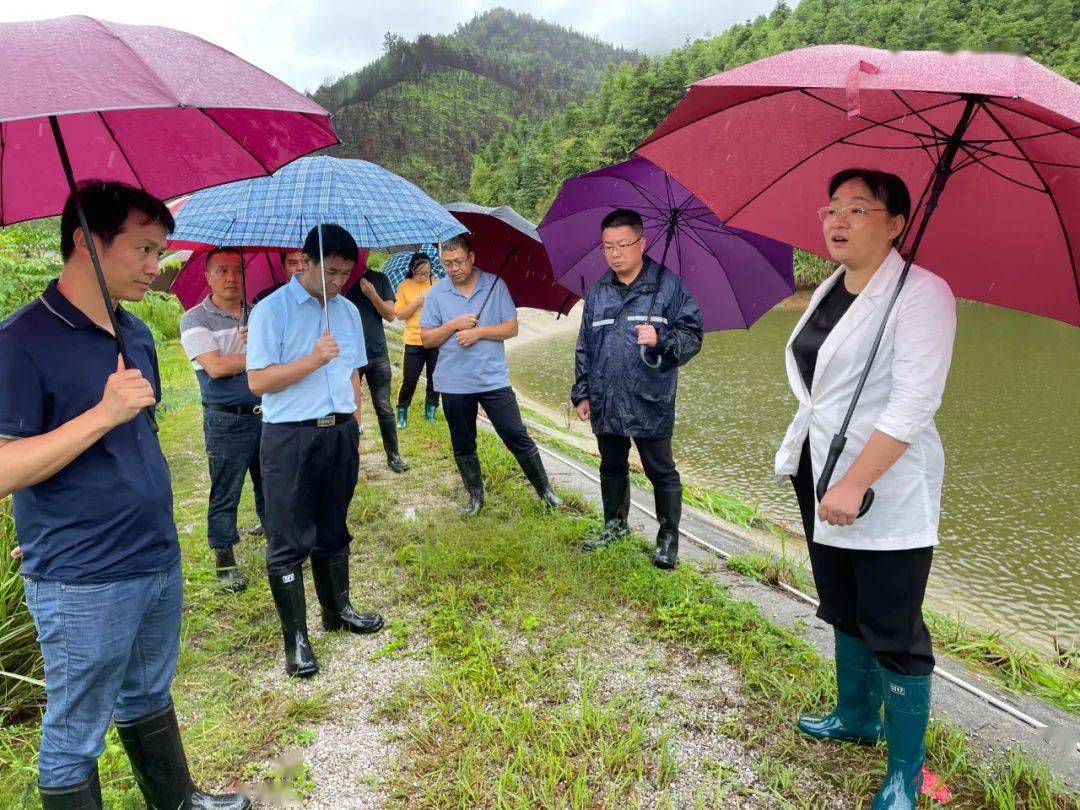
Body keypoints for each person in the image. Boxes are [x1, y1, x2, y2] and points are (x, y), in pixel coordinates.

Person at [0, 181, 249, 809]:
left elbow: (142, 436)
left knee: (148, 692)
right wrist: (102, 415)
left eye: (160, 250)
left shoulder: (134, 334)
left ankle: (181, 801)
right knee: (75, 734)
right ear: (87, 243)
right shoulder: (20, 342)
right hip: (83, 574)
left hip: (155, 554)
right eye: (142, 249)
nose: (155, 266)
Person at [776, 169, 956, 809]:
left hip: (879, 486)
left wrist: (853, 481)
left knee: (893, 624)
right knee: (842, 603)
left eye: (858, 208)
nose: (838, 220)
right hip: (818, 475)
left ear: (898, 223)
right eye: (832, 208)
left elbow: (911, 404)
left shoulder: (922, 295)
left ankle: (904, 773)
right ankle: (856, 715)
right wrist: (824, 473)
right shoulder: (832, 288)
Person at [246, 224, 385, 680]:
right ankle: (297, 640)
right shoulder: (272, 311)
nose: (338, 282)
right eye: (331, 271)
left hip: (338, 432)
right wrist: (312, 358)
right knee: (288, 536)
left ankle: (337, 609)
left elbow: (353, 373)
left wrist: (356, 424)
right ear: (304, 261)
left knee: (334, 524)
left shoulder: (347, 311)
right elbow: (259, 382)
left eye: (346, 273)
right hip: (290, 436)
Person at [571, 209, 703, 569]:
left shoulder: (669, 286)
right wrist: (582, 391)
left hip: (650, 397)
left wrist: (662, 338)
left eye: (622, 245)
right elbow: (585, 343)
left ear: (641, 244)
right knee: (611, 465)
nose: (614, 253)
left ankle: (667, 539)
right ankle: (614, 525)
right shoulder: (597, 292)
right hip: (606, 396)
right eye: (607, 246)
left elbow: (693, 336)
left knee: (660, 469)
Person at [420, 234, 562, 515]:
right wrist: (453, 325)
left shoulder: (494, 285)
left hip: (492, 379)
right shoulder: (437, 293)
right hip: (454, 382)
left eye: (459, 261)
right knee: (463, 441)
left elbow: (511, 328)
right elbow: (427, 339)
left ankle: (545, 491)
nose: (454, 268)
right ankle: (475, 497)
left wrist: (478, 332)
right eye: (447, 264)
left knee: (515, 433)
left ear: (472, 258)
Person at [179, 247, 267, 592]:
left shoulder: (259, 313)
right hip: (226, 420)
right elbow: (215, 368)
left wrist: (260, 341)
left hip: (267, 413)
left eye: (237, 271)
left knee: (271, 482)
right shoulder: (195, 319)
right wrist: (257, 352)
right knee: (226, 491)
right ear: (208, 277)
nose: (231, 278)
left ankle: (276, 536)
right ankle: (224, 558)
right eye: (222, 271)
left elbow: (282, 356)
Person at [345, 262, 409, 473]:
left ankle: (394, 456)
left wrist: (372, 294)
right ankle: (350, 458)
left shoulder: (379, 279)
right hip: (350, 356)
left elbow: (391, 314)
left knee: (384, 407)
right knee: (348, 409)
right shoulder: (340, 280)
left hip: (377, 353)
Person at [395, 253, 440, 427]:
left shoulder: (436, 285)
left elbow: (445, 311)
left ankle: (431, 412)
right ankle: (402, 414)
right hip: (413, 340)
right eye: (420, 272)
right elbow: (399, 315)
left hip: (434, 338)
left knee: (435, 377)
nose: (424, 276)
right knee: (410, 379)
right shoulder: (404, 286)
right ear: (412, 269)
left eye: (427, 273)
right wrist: (416, 303)